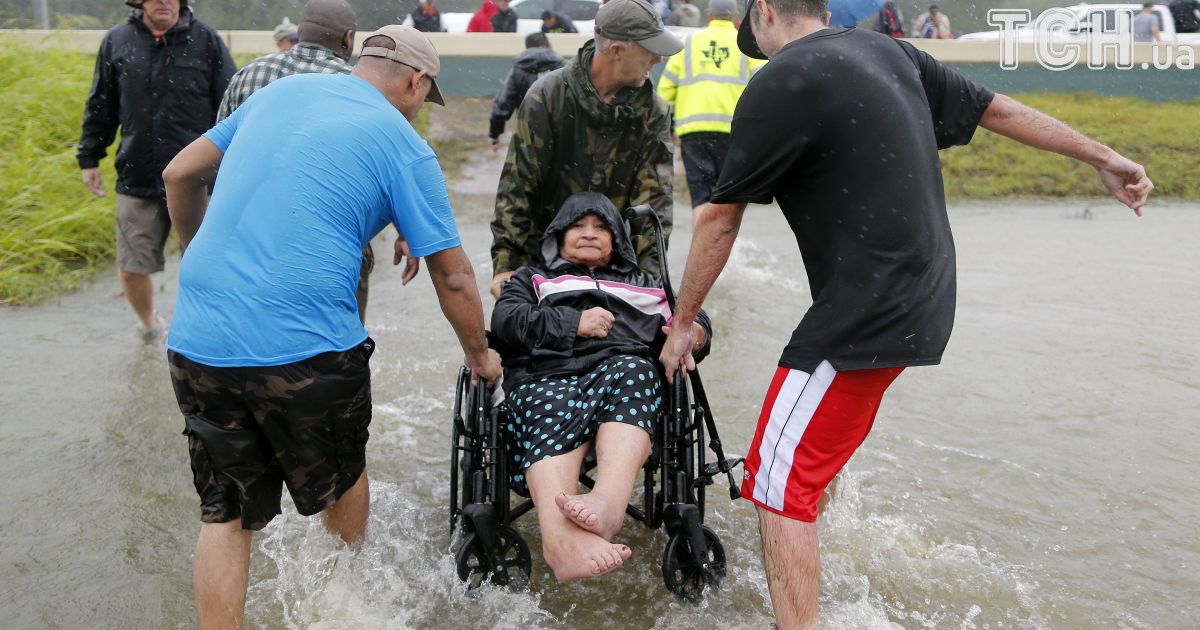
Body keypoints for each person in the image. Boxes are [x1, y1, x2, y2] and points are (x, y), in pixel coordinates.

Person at [658, 0, 1153, 627]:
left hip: (866, 308)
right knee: (809, 460)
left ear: (763, 11)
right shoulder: (890, 51)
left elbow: (719, 218)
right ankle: (825, 569)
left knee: (776, 481)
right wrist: (1104, 156)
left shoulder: (778, 78)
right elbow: (995, 109)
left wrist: (681, 325)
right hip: (926, 295)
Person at [161, 25, 502, 629]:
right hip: (305, 349)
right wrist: (480, 355)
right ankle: (338, 605)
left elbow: (179, 174)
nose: (420, 108)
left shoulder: (276, 95)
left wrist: (194, 252)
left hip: (199, 337)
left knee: (226, 511)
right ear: (415, 80)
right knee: (341, 479)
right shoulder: (402, 141)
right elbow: (453, 278)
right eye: (425, 96)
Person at [490, 192, 712, 581]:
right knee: (547, 399)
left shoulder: (648, 284)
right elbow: (506, 321)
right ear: (557, 236)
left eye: (601, 227)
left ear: (618, 240)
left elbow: (693, 320)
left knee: (636, 371)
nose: (589, 233)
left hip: (620, 373)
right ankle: (559, 541)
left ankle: (607, 502)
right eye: (577, 226)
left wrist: (695, 332)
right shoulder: (532, 279)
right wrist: (571, 323)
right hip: (546, 375)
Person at [216, 0, 399, 325]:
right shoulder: (360, 88)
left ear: (299, 33)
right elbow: (386, 174)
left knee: (255, 337)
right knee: (340, 349)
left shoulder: (249, 75)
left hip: (249, 240)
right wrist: (405, 230)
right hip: (333, 247)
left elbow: (216, 162)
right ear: (348, 38)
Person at [491, 0, 684, 299]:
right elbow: (519, 185)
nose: (657, 59)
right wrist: (506, 265)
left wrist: (651, 282)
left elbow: (654, 201)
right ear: (617, 50)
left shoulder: (652, 111)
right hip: (544, 260)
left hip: (615, 269)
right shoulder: (547, 97)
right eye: (648, 50)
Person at [76, 0, 234, 341]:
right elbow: (101, 103)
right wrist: (89, 157)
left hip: (198, 179)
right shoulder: (118, 40)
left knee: (205, 262)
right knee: (132, 267)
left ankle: (200, 329)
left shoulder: (206, 39)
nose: (164, 0)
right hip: (138, 175)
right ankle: (149, 326)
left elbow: (230, 105)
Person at [657, 0, 764, 217]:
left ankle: (700, 250)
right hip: (734, 133)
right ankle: (726, 251)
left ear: (709, 15)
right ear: (735, 15)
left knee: (701, 198)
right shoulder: (746, 44)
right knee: (728, 201)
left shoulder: (687, 44)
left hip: (693, 132)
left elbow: (664, 90)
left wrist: (665, 128)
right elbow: (763, 85)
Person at [488, 33, 566, 151]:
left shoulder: (518, 70)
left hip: (528, 133)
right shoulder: (565, 68)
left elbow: (503, 103)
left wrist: (495, 133)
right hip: (562, 132)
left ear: (527, 48)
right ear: (549, 46)